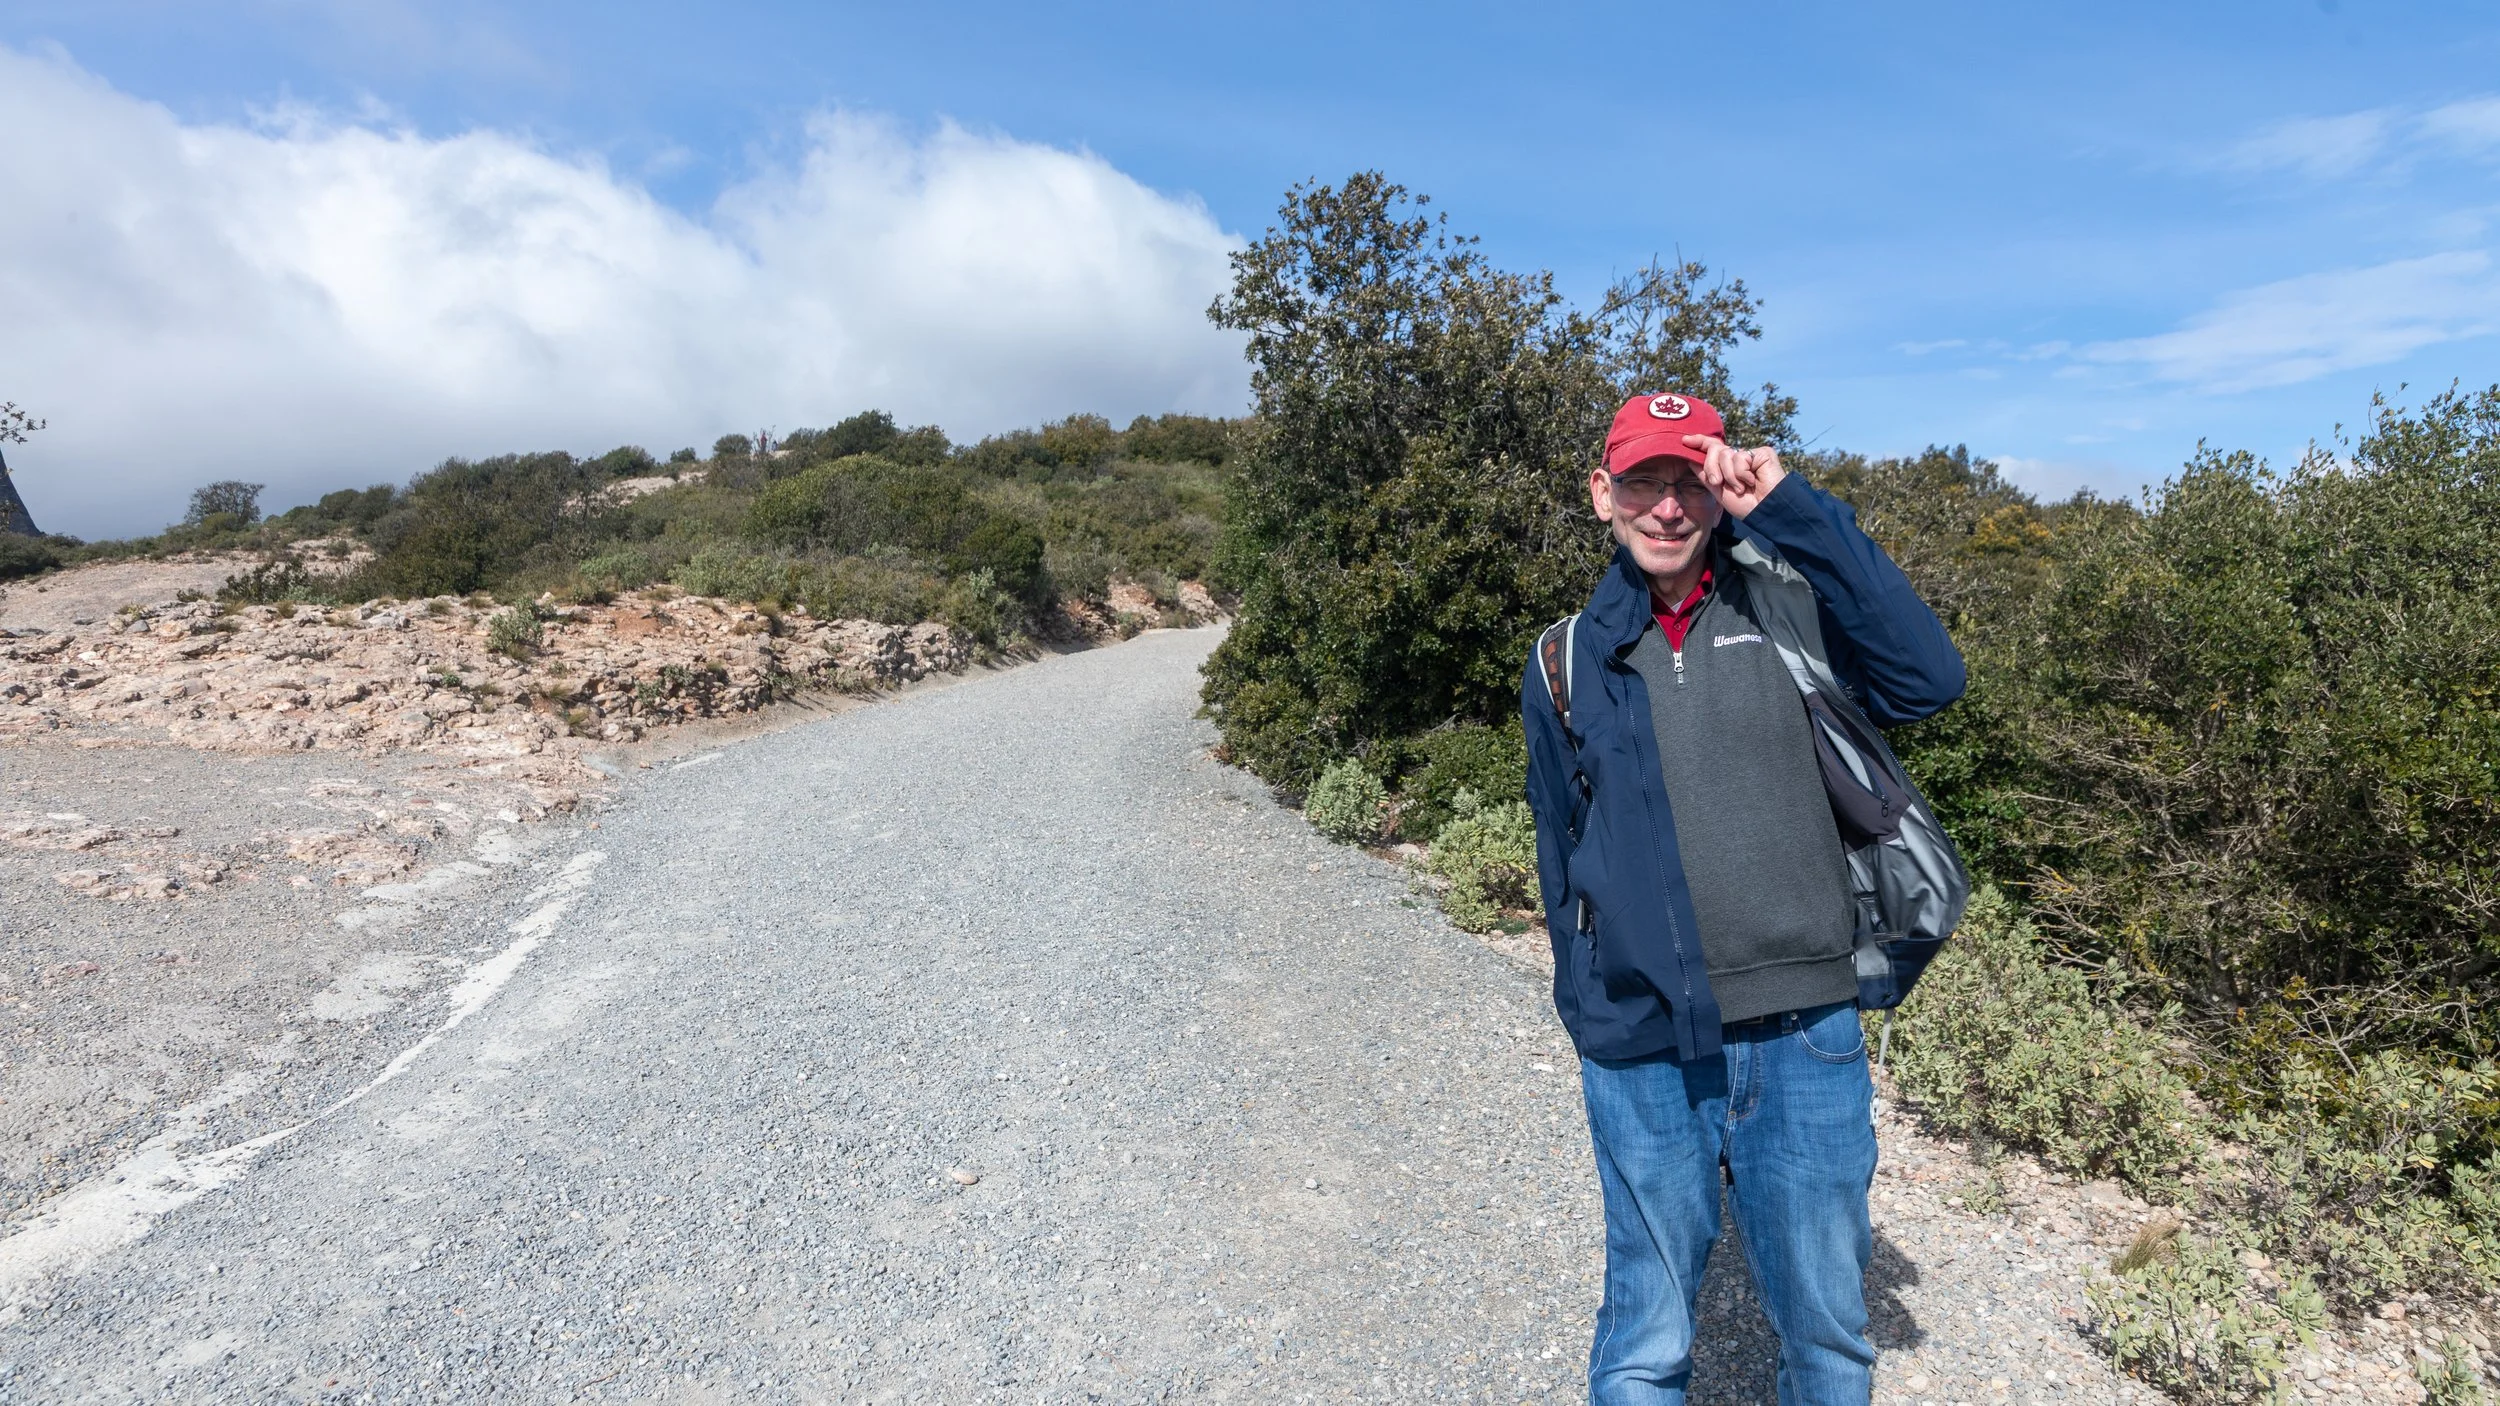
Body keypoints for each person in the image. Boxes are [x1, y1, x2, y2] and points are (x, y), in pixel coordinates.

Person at [1521, 392, 1966, 1405]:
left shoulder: (1788, 604)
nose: (1667, 506)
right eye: (1643, 479)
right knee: (1645, 1333)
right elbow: (1562, 850)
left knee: (1825, 1339)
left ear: (1720, 494)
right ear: (1602, 493)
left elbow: (1928, 680)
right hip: (1642, 1047)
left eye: (1689, 480)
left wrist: (1793, 509)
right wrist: (1587, 1009)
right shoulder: (1564, 659)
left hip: (1805, 1033)